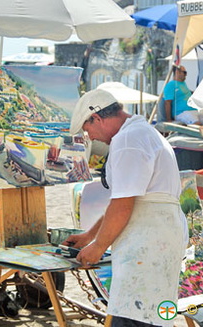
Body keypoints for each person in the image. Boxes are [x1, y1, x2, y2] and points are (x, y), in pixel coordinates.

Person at [65, 89, 187, 327]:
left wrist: (98, 246)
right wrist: (89, 236)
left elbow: (123, 205)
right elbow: (122, 201)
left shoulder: (127, 140)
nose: (92, 137)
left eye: (87, 130)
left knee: (136, 316)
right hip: (159, 235)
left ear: (97, 118)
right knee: (156, 314)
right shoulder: (143, 132)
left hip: (149, 241)